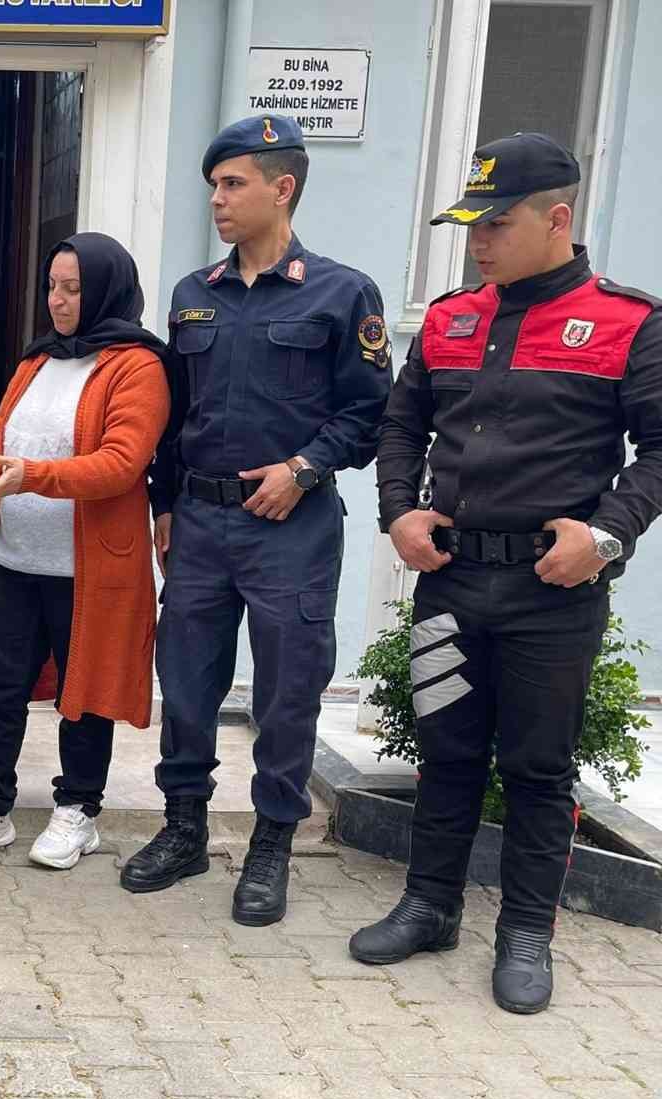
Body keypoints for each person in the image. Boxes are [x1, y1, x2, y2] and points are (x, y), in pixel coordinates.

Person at [352, 132, 662, 1014]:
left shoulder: (630, 323)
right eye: (469, 225)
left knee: (535, 768)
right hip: (451, 582)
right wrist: (399, 513)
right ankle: (428, 907)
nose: (477, 241)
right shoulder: (451, 318)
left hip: (551, 594)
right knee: (446, 755)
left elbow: (660, 452)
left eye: (496, 224)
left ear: (557, 217)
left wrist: (604, 537)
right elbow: (400, 427)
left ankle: (526, 933)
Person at [126, 114, 392, 926]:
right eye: (213, 185)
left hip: (292, 529)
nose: (218, 198)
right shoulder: (191, 297)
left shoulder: (343, 293)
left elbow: (372, 412)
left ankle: (272, 842)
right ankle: (184, 828)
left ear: (284, 188)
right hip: (202, 527)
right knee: (189, 681)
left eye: (233, 183)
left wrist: (305, 469)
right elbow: (175, 417)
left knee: (287, 691)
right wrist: (164, 503)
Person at [0, 234, 171, 868]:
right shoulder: (37, 362)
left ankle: (78, 810)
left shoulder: (137, 366)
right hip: (15, 557)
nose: (58, 302)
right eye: (52, 287)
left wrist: (29, 474)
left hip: (87, 570)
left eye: (73, 288)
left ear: (106, 289)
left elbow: (120, 465)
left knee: (82, 693)